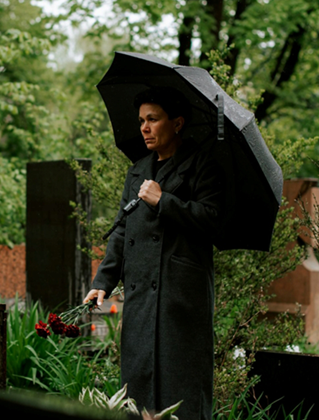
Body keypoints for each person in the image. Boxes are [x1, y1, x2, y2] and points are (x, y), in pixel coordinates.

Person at [84, 87, 223, 420]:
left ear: (176, 123)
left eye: (153, 119)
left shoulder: (202, 164)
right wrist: (103, 279)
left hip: (180, 299)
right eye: (141, 120)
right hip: (141, 298)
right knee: (139, 389)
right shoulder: (138, 170)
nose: (144, 128)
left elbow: (213, 221)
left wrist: (165, 201)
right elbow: (122, 229)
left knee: (181, 390)